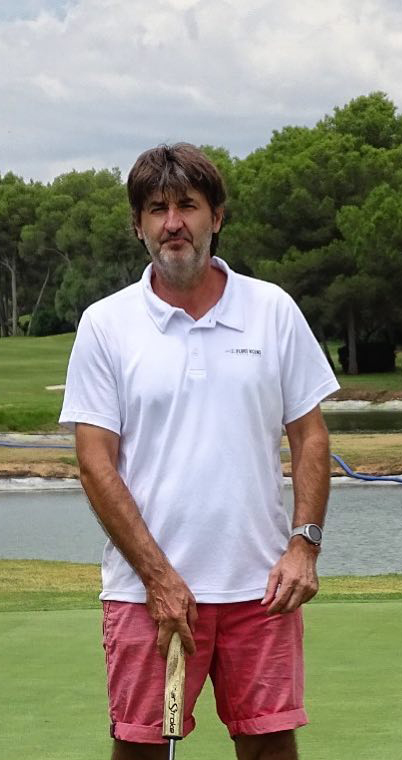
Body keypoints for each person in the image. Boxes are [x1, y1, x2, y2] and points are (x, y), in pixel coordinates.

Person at [59, 143, 338, 760]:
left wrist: (304, 545)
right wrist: (159, 579)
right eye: (156, 209)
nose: (173, 222)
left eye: (188, 205)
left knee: (271, 748)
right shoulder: (106, 324)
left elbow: (310, 436)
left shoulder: (272, 310)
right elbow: (94, 461)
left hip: (260, 587)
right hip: (144, 593)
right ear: (138, 225)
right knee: (140, 751)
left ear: (217, 216)